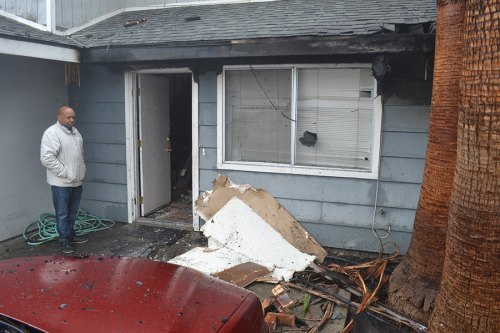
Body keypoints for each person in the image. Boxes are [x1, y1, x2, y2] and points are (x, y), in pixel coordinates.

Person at [40, 106, 87, 254]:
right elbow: (47, 158)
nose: (71, 119)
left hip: (76, 180)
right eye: (68, 117)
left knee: (72, 212)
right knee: (62, 213)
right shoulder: (52, 133)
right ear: (59, 116)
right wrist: (65, 172)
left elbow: (79, 154)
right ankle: (64, 240)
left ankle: (70, 235)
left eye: (73, 117)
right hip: (61, 182)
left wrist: (79, 171)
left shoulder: (75, 132)